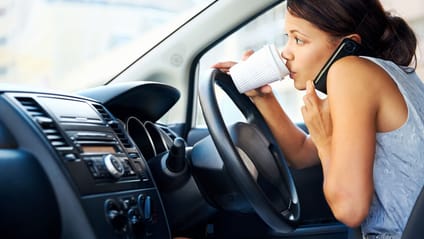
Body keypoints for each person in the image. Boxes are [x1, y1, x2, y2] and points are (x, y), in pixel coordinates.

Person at [212, 0, 424, 238]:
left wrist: (326, 142)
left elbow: (349, 209)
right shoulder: (379, 74)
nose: (286, 52)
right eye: (287, 37)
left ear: (348, 45)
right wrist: (263, 97)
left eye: (299, 39)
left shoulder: (349, 72)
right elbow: (302, 153)